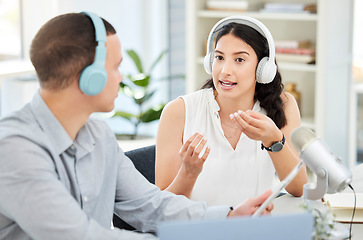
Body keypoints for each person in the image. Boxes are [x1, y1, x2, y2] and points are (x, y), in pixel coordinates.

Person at [0, 12, 273, 240]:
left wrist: (227, 217)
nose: (121, 77)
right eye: (116, 67)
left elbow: (150, 206)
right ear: (89, 78)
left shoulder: (99, 136)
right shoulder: (14, 149)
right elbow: (79, 235)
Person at [155, 16, 308, 207]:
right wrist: (188, 172)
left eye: (239, 59)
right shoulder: (178, 112)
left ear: (263, 68)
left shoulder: (282, 104)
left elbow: (299, 188)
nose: (225, 70)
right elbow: (161, 208)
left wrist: (274, 140)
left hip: (253, 230)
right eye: (219, 57)